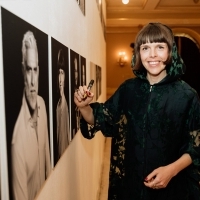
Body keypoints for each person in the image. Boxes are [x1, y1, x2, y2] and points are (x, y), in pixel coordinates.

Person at [74, 22, 200, 200]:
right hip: (131, 186)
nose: (153, 54)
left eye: (160, 47)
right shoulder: (128, 89)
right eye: (145, 48)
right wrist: (84, 106)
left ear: (170, 52)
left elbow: (195, 146)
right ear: (139, 54)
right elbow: (99, 118)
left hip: (174, 188)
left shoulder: (187, 95)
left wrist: (171, 171)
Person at [11, 31, 51, 200]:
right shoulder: (18, 141)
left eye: (35, 70)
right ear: (22, 71)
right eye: (29, 70)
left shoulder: (42, 103)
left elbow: (48, 162)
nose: (33, 80)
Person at [56, 49, 70, 159]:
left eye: (62, 73)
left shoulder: (65, 103)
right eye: (58, 73)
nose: (60, 79)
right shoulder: (57, 105)